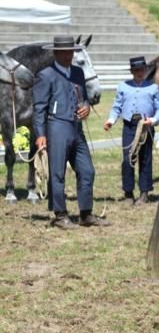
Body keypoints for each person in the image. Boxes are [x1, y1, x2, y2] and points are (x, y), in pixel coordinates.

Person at [32, 35, 104, 229]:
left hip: (76, 128)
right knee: (57, 173)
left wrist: (87, 107)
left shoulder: (78, 73)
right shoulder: (45, 75)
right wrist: (40, 135)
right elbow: (39, 108)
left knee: (87, 170)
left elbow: (85, 98)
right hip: (56, 127)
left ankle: (86, 213)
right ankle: (60, 215)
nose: (67, 55)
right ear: (55, 53)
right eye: (63, 52)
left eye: (70, 51)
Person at [103, 56, 159, 205]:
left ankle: (144, 192)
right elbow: (116, 107)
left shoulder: (153, 87)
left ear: (145, 70)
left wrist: (154, 120)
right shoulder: (123, 86)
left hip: (146, 127)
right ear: (132, 71)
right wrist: (111, 120)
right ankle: (128, 193)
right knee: (128, 159)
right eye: (136, 70)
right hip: (129, 126)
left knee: (145, 159)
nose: (139, 72)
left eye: (142, 70)